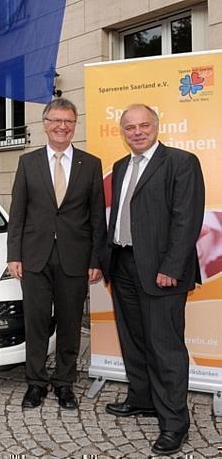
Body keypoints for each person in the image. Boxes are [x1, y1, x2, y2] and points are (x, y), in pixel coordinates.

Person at [103, 104, 205, 456]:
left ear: (156, 127)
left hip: (163, 271)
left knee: (166, 349)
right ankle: (142, 399)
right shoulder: (119, 167)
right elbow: (118, 217)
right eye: (129, 127)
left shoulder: (180, 162)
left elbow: (186, 220)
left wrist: (172, 267)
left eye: (144, 125)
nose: (137, 132)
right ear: (123, 131)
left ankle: (174, 424)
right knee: (134, 340)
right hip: (124, 265)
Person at [7, 98, 106, 410]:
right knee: (35, 323)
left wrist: (95, 259)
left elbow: (96, 218)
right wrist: (14, 255)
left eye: (69, 121)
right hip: (34, 257)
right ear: (45, 124)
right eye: (57, 121)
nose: (63, 126)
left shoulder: (90, 164)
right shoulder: (28, 162)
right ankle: (35, 383)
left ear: (75, 125)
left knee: (70, 323)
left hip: (74, 258)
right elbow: (18, 212)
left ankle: (64, 383)